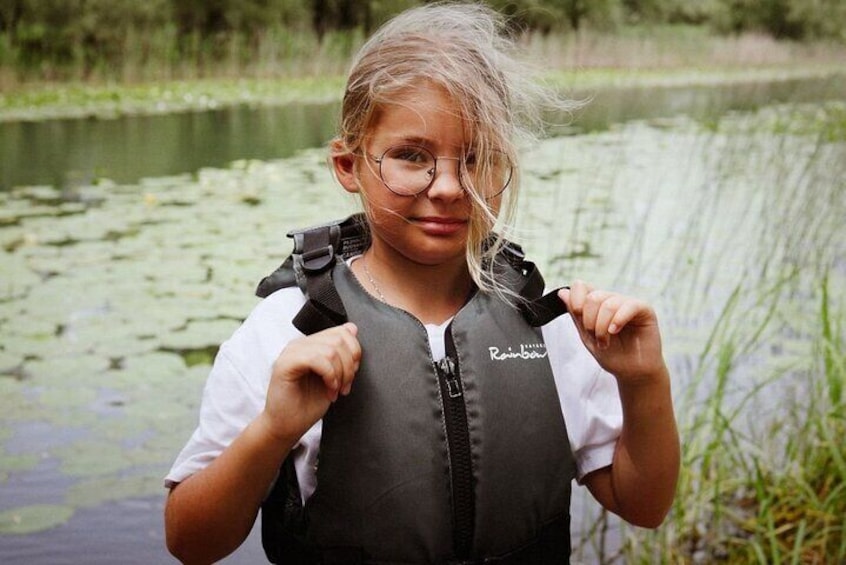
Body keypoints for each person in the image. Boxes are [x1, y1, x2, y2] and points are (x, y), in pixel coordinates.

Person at [164, 2, 680, 563]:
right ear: (348, 165)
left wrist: (643, 380)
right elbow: (190, 541)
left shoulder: (549, 327)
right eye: (412, 156)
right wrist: (271, 430)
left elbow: (644, 505)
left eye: (478, 157)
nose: (451, 188)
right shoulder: (286, 329)